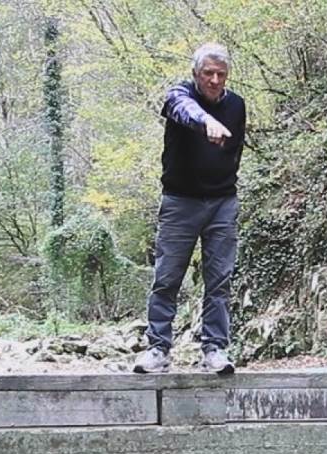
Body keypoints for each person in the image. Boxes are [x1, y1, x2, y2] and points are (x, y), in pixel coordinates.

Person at [134, 42, 246, 375]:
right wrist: (204, 122)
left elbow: (232, 152)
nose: (214, 80)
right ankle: (158, 348)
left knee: (219, 280)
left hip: (223, 202)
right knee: (167, 277)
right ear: (196, 74)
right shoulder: (179, 97)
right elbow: (182, 108)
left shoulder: (237, 105)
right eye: (208, 73)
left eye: (220, 74)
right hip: (180, 203)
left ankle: (215, 350)